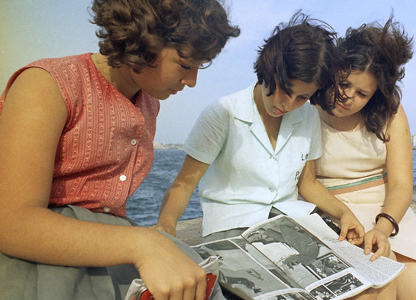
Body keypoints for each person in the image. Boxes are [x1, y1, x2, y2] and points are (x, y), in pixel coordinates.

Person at [0, 0, 240, 299]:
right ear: (144, 41)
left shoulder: (149, 102)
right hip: (40, 261)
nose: (191, 82)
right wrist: (142, 244)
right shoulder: (48, 84)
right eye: (185, 64)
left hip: (107, 254)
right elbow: (11, 224)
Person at [154, 12, 389, 264]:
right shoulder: (223, 114)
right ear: (269, 66)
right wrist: (165, 227)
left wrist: (345, 214)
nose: (287, 104)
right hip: (232, 226)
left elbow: (307, 184)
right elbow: (183, 185)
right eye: (285, 89)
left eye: (301, 97)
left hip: (291, 221)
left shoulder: (308, 115)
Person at [311, 18, 416, 300]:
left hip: (387, 212)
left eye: (362, 93)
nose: (347, 97)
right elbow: (303, 182)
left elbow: (401, 185)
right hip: (331, 211)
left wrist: (382, 228)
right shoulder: (307, 104)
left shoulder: (390, 112)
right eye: (343, 83)